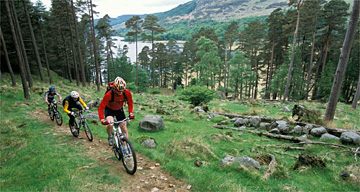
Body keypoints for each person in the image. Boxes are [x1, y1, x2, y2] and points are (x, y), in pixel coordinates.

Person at [98, 77, 135, 146]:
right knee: (110, 124)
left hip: (119, 109)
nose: (120, 93)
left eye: (122, 91)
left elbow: (130, 103)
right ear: (114, 88)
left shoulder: (127, 93)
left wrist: (131, 113)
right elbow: (101, 107)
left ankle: (126, 147)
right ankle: (110, 136)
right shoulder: (109, 94)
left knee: (124, 127)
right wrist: (102, 119)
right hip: (109, 109)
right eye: (118, 91)